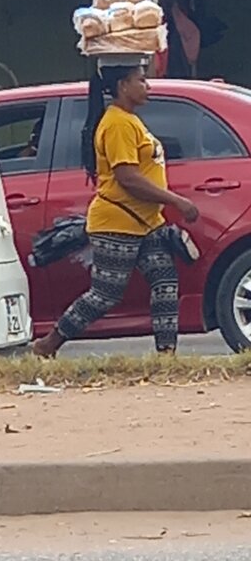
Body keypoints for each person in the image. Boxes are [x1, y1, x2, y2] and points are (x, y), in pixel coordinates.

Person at [32, 64, 198, 357]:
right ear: (123, 85)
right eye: (141, 80)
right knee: (106, 294)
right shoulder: (118, 124)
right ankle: (48, 344)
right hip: (118, 223)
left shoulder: (130, 121)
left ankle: (166, 355)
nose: (148, 86)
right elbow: (127, 177)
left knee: (165, 282)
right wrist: (176, 201)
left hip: (145, 223)